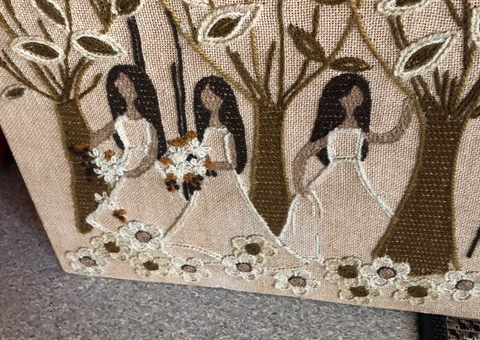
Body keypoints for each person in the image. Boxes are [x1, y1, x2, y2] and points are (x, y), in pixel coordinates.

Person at [280, 73, 414, 261]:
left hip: (354, 177)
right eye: (351, 94)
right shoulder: (331, 133)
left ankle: (354, 247)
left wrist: (405, 115)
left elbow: (391, 136)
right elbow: (303, 155)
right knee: (329, 210)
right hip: (332, 176)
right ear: (339, 98)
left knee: (361, 210)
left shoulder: (360, 132)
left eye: (359, 94)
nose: (356, 98)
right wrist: (300, 185)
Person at [165, 75, 281, 258]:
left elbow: (233, 163)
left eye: (212, 96)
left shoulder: (228, 130)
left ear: (223, 97)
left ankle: (231, 243)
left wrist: (210, 165)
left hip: (224, 179)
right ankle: (205, 242)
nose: (208, 101)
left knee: (228, 208)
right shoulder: (204, 128)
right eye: (204, 97)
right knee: (204, 210)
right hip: (207, 178)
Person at [87, 65, 184, 232]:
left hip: (145, 164)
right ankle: (134, 229)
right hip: (128, 161)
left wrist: (139, 169)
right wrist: (88, 148)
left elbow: (152, 150)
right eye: (119, 86)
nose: (124, 90)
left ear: (138, 85)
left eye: (127, 84)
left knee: (152, 196)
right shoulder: (120, 120)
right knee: (126, 197)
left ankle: (154, 227)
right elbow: (99, 136)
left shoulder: (148, 122)